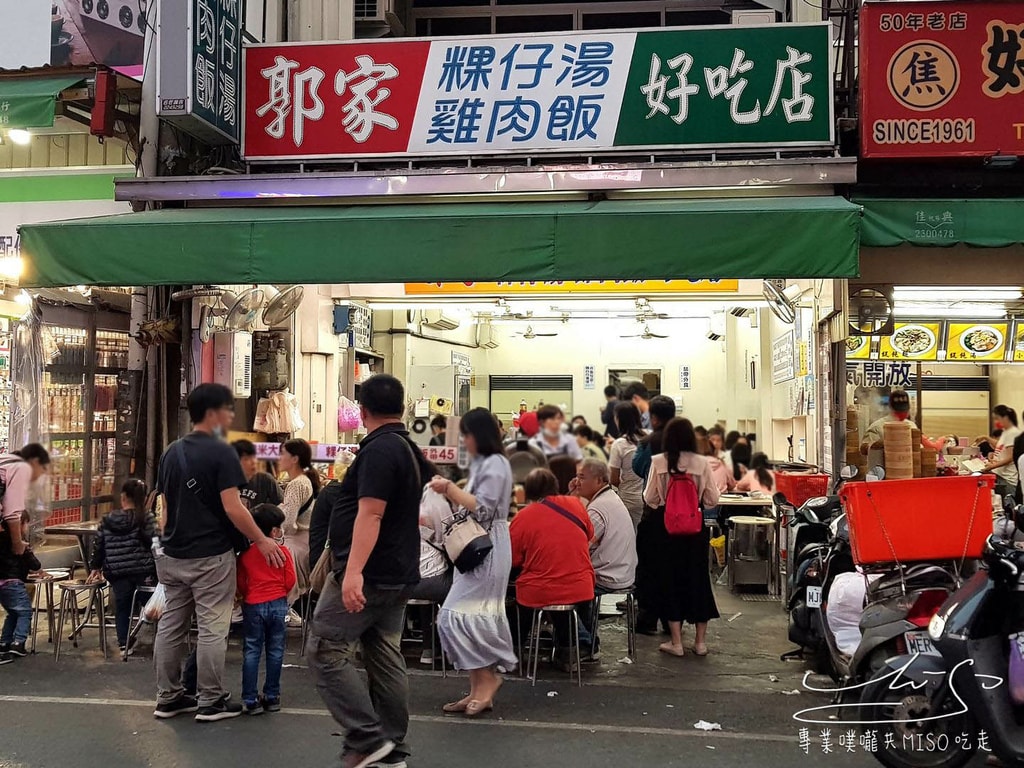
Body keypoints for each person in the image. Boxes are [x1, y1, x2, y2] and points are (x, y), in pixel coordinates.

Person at [309, 374, 433, 768]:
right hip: (397, 569)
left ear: (362, 413)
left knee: (324, 649)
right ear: (403, 407)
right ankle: (391, 745)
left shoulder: (380, 451)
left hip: (372, 572)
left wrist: (353, 572)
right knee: (383, 652)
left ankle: (366, 737)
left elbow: (372, 512)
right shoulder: (409, 448)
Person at [153, 383, 285, 723]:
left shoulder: (171, 452)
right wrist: (261, 540)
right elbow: (234, 508)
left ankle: (168, 697)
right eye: (226, 409)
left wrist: (168, 543)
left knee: (172, 626)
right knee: (212, 626)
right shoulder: (221, 452)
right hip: (210, 555)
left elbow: (165, 509)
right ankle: (209, 700)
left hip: (173, 554)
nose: (229, 416)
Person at [429, 408, 518, 717]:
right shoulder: (489, 463)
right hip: (482, 545)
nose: (464, 440)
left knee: (456, 614)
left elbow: (483, 509)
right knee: (468, 614)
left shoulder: (495, 464)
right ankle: (480, 687)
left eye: (466, 434)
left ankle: (488, 681)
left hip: (486, 546)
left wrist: (450, 489)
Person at [644, 418, 721, 658]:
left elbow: (650, 499)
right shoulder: (702, 463)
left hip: (667, 530)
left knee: (670, 581)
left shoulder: (658, 462)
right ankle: (700, 643)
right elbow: (712, 500)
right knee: (698, 580)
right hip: (695, 531)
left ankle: (676, 643)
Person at [511, 468, 595, 671]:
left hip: (539, 590)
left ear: (528, 491)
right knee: (562, 598)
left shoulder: (523, 517)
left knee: (519, 599)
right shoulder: (576, 505)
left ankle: (514, 654)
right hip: (581, 588)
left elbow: (513, 560)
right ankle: (568, 654)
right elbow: (589, 534)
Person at [238, 504, 296, 716]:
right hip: (278, 603)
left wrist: (247, 594)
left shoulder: (245, 555)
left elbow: (241, 583)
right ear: (273, 531)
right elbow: (290, 580)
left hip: (253, 604)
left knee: (252, 649)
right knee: (275, 649)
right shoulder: (283, 552)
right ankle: (272, 696)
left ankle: (250, 698)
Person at [572, 459, 637, 649]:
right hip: (622, 570)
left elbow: (579, 546)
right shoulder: (609, 498)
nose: (577, 482)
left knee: (560, 590)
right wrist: (574, 494)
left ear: (599, 481)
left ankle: (584, 643)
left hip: (609, 575)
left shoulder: (598, 508)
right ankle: (581, 639)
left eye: (582, 478)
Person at [87, 478, 158, 653]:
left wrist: (95, 567)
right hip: (143, 571)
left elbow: (98, 545)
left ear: (123, 497)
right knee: (152, 605)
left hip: (117, 572)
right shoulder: (146, 518)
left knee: (122, 607)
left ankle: (123, 644)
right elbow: (155, 543)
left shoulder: (108, 519)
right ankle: (160, 640)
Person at [630, 396, 676, 636]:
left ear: (654, 417)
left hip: (654, 514)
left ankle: (647, 620)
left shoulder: (648, 441)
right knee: (674, 568)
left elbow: (637, 468)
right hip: (682, 517)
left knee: (648, 568)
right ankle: (673, 622)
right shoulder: (685, 441)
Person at [407, 487, 453, 666]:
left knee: (426, 591)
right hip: (432, 583)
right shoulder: (436, 505)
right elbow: (449, 540)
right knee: (460, 584)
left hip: (402, 582)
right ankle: (452, 648)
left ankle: (429, 648)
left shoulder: (394, 503)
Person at [279, 438, 319, 601]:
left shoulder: (296, 484)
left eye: (282, 454)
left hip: (293, 546)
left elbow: (288, 523)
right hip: (305, 545)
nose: (279, 458)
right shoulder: (305, 481)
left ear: (294, 459)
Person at [0, 511, 41, 664]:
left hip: (2, 584)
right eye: (26, 523)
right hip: (14, 583)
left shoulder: (1, 539)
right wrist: (28, 551)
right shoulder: (19, 543)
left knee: (12, 612)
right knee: (25, 612)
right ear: (20, 524)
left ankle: (4, 642)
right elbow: (35, 565)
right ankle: (19, 642)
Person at [0, 444, 50, 563]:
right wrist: (17, 543)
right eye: (42, 470)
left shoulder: (5, 461)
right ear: (35, 462)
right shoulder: (21, 467)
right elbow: (12, 512)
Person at [608, 402, 647, 529]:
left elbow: (614, 479)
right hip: (650, 497)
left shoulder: (619, 444)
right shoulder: (650, 436)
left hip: (628, 498)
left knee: (630, 535)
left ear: (618, 419)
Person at [233, 440, 283, 510]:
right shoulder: (227, 482)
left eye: (254, 457)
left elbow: (282, 506)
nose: (253, 462)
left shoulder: (265, 479)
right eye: (246, 459)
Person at [985, 406, 1022, 499]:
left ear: (1005, 417)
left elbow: (1010, 457)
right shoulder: (1006, 432)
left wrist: (992, 466)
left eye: (997, 419)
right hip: (1001, 476)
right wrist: (986, 438)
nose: (995, 422)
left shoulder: (1012, 433)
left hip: (1008, 479)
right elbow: (1001, 446)